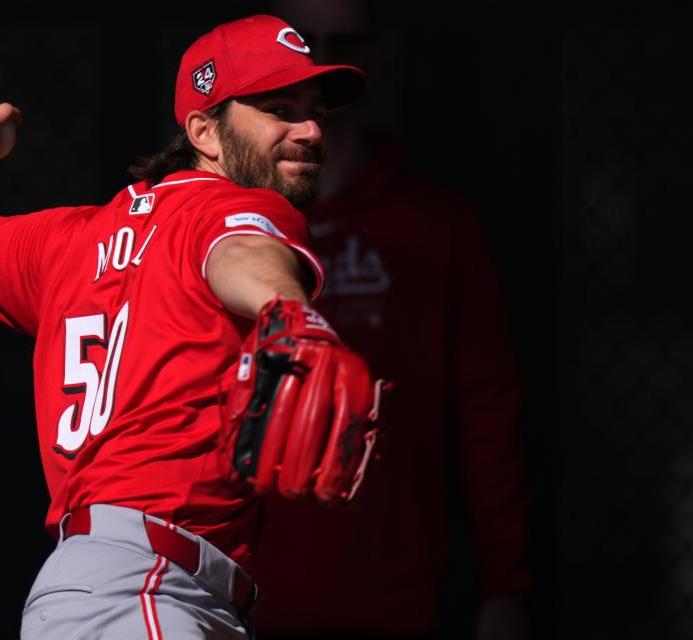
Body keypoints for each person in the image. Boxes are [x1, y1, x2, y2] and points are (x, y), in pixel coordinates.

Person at [0, 14, 374, 640]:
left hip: (108, 587)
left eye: (315, 112)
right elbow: (237, 253)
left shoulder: (68, 242)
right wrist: (288, 311)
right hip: (145, 587)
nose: (310, 130)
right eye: (280, 108)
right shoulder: (236, 206)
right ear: (205, 130)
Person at [249, 1, 532, 639]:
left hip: (397, 591)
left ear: (373, 54)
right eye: (300, 41)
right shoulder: (221, 227)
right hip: (238, 587)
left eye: (339, 41)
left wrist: (506, 587)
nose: (318, 62)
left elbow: (487, 409)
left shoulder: (434, 224)